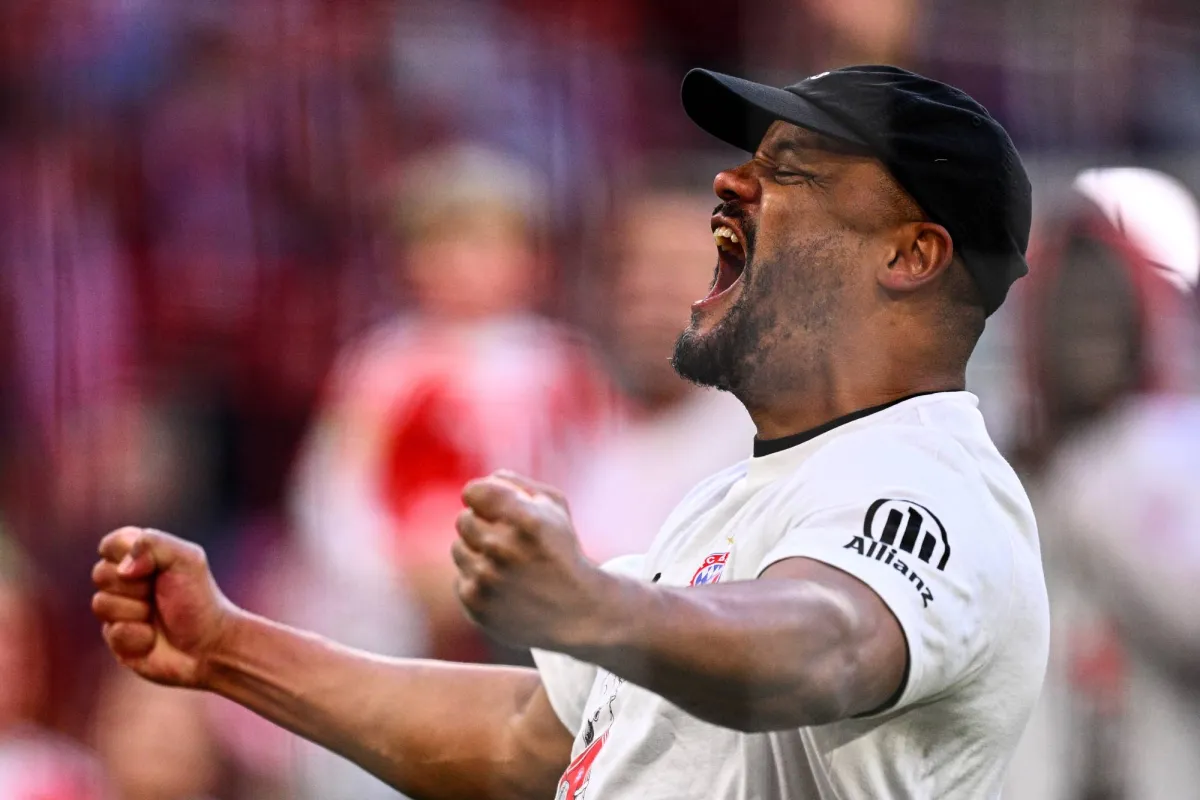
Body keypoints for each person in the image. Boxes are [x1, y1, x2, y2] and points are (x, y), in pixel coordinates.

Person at [91, 66, 1049, 799]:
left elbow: (825, 642)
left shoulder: (931, 484)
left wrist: (591, 604)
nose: (728, 183)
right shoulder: (728, 501)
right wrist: (228, 650)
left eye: (789, 171)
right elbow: (525, 736)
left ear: (910, 253)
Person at [1004, 168, 1200, 800]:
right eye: (1070, 306)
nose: (1089, 325)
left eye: (1105, 306)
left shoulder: (1175, 447)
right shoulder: (1003, 474)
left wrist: (1085, 487)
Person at [567, 184, 754, 562]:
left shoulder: (760, 439)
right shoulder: (568, 411)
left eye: (675, 268)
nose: (645, 288)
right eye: (628, 265)